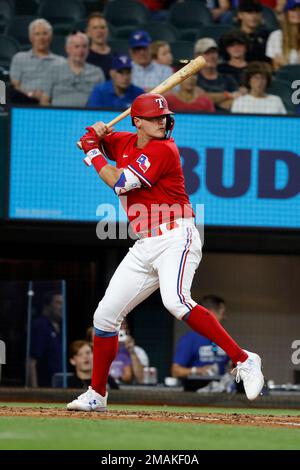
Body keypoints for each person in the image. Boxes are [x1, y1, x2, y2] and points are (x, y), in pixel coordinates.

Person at [67, 92, 264, 412]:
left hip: (178, 236)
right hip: (145, 242)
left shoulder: (164, 149)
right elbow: (99, 142)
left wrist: (92, 151)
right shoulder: (125, 141)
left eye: (164, 117)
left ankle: (244, 359)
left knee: (176, 301)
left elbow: (118, 182)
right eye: (155, 118)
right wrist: (95, 136)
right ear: (138, 122)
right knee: (104, 317)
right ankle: (97, 395)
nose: (163, 122)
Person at [171, 295, 230, 380]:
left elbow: (229, 365)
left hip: (221, 390)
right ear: (210, 313)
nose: (224, 317)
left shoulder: (224, 338)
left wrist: (234, 369)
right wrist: (197, 370)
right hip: (196, 390)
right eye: (222, 313)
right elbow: (175, 371)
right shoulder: (190, 339)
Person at [41, 32, 104, 107]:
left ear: (88, 50)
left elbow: (103, 100)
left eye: (84, 46)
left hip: (88, 116)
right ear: (68, 49)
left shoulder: (97, 72)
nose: (81, 51)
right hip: (59, 115)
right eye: (77, 47)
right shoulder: (54, 70)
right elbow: (44, 100)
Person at [9, 18, 64, 104]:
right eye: (37, 34)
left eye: (45, 34)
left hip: (51, 103)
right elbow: (15, 85)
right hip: (23, 101)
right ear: (31, 38)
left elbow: (63, 87)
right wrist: (31, 94)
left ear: (51, 37)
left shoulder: (61, 62)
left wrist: (46, 96)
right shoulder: (19, 57)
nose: (41, 38)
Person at [194, 38, 239, 111]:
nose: (211, 56)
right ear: (197, 56)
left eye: (214, 52)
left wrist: (207, 97)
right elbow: (195, 100)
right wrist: (227, 95)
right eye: (207, 53)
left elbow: (237, 100)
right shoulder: (193, 79)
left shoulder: (228, 79)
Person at [29, 291, 63, 387]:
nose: (62, 307)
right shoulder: (40, 325)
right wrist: (34, 390)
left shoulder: (59, 326)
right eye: (59, 303)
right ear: (47, 305)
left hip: (58, 385)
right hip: (44, 387)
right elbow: (31, 361)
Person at [266, 0, 300, 70]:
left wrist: (285, 64)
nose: (297, 13)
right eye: (293, 10)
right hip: (284, 79)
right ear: (286, 13)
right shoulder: (276, 36)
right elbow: (276, 67)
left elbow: (281, 63)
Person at [86, 12, 114, 80]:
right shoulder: (84, 57)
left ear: (107, 31)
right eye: (95, 28)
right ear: (88, 32)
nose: (99, 31)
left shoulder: (116, 57)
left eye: (102, 27)